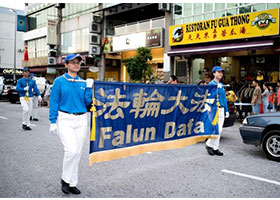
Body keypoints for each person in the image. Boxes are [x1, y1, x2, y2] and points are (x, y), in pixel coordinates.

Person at [49, 53, 93, 195]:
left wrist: (89, 88)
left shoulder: (82, 82)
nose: (76, 65)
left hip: (81, 119)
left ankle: (72, 182)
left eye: (78, 62)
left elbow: (87, 103)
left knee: (78, 152)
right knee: (71, 150)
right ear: (66, 65)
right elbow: (54, 101)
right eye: (72, 62)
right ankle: (65, 179)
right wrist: (52, 121)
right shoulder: (59, 81)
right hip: (65, 118)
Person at [205, 66, 229, 156]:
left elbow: (224, 98)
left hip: (222, 109)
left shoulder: (222, 85)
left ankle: (215, 147)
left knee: (220, 130)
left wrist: (226, 110)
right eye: (218, 72)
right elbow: (209, 97)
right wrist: (208, 108)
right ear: (214, 73)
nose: (220, 74)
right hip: (214, 110)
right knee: (216, 129)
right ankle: (209, 144)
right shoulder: (211, 84)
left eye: (221, 72)